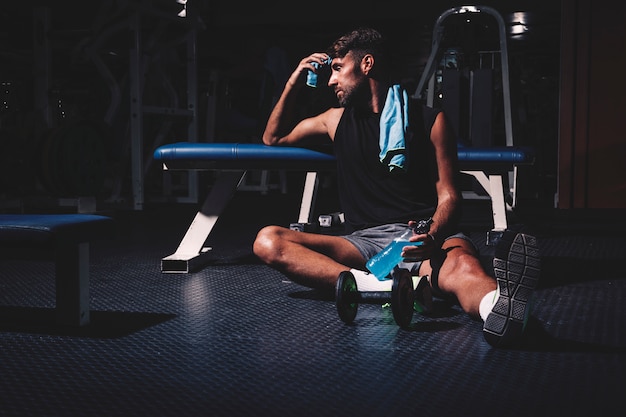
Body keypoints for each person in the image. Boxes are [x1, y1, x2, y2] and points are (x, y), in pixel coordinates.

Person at [252, 27, 540, 348]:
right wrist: (295, 78)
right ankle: (381, 288)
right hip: (362, 244)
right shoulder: (333, 120)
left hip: (419, 236)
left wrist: (432, 235)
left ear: (366, 64)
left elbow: (449, 195)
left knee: (463, 267)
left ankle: (498, 309)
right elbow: (272, 138)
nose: (331, 80)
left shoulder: (430, 120)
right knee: (269, 241)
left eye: (337, 69)